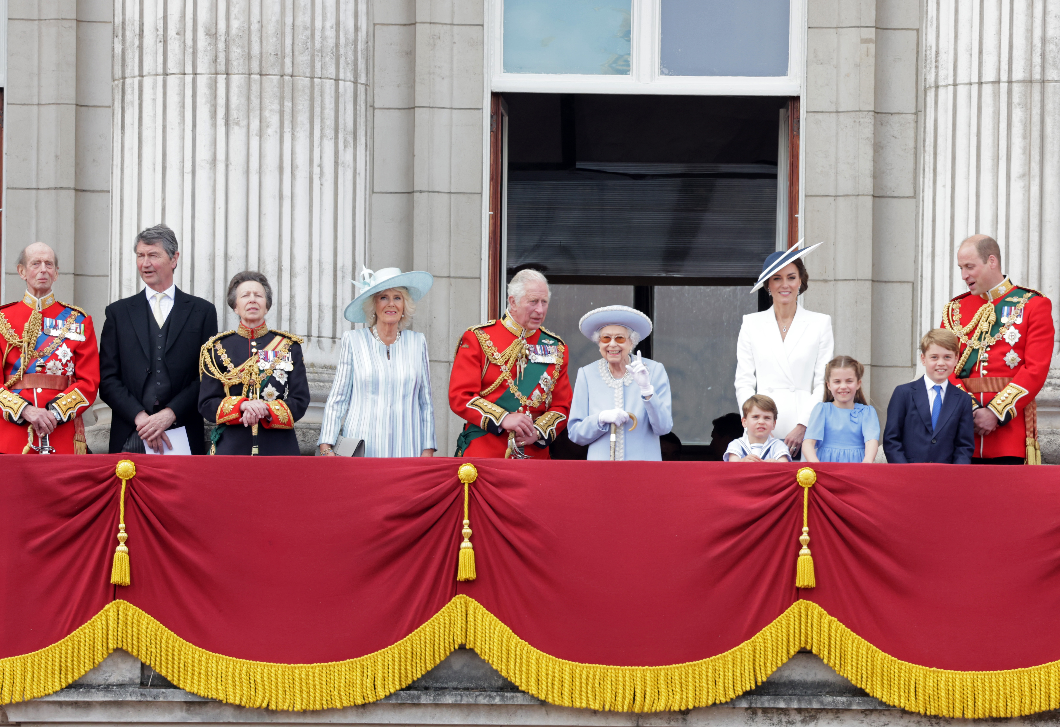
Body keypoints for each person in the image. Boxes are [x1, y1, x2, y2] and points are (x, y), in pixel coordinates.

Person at [99, 224, 219, 454]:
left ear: (174, 259)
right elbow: (107, 378)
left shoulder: (202, 312)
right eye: (140, 256)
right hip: (130, 432)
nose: (145, 263)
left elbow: (207, 376)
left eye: (153, 255)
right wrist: (141, 418)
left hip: (182, 432)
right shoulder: (118, 313)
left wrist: (169, 414)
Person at [940, 234, 1054, 464]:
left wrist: (995, 413)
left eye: (970, 267)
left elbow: (1035, 370)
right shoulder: (955, 310)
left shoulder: (1033, 305)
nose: (964, 275)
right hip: (963, 434)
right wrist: (969, 410)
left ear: (992, 261)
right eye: (961, 268)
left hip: (1007, 434)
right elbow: (943, 367)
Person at [449, 269, 572, 458]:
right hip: (484, 454)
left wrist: (538, 432)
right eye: (533, 301)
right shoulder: (478, 338)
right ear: (513, 301)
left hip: (534, 457)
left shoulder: (557, 347)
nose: (540, 310)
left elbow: (562, 406)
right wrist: (503, 418)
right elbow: (461, 396)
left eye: (544, 302)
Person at [317, 267, 436, 457]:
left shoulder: (417, 342)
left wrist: (428, 449)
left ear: (405, 305)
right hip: (362, 448)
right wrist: (326, 446)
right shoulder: (353, 340)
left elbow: (425, 402)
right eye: (383, 297)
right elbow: (338, 398)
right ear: (373, 305)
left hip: (407, 448)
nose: (391, 304)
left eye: (397, 297)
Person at [735, 242, 834, 460]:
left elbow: (822, 383)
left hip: (803, 429)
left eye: (791, 277)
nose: (784, 284)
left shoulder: (820, 323)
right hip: (760, 430)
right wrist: (755, 420)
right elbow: (743, 381)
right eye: (777, 278)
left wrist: (804, 424)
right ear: (767, 285)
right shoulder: (751, 323)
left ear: (801, 281)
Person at [0, 243, 100, 454]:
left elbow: (89, 382)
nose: (43, 269)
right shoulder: (3, 319)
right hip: (13, 434)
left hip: (60, 431)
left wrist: (54, 413)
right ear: (22, 272)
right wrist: (25, 410)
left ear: (56, 274)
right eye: (35, 263)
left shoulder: (78, 320)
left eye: (49, 264)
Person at [198, 272, 309, 455]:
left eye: (258, 295)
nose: (252, 300)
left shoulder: (288, 346)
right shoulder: (216, 348)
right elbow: (206, 403)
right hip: (232, 448)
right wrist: (242, 405)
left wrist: (265, 409)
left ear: (267, 306)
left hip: (278, 448)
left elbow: (300, 400)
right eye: (245, 296)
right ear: (235, 306)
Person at [566, 305, 673, 461]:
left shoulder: (654, 370)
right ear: (599, 343)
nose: (612, 344)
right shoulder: (587, 374)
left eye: (620, 338)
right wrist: (600, 419)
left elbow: (663, 428)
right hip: (600, 471)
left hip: (642, 470)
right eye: (606, 338)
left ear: (632, 343)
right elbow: (575, 434)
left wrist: (647, 390)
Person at [883, 330, 974, 464]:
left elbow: (964, 446)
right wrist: (904, 472)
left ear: (956, 359)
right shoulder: (903, 393)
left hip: (946, 476)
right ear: (923, 359)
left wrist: (955, 476)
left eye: (947, 357)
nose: (941, 363)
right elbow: (892, 439)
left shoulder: (963, 399)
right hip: (909, 474)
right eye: (934, 357)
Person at [803, 356, 880, 463]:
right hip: (826, 466)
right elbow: (808, 443)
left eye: (849, 381)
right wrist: (816, 465)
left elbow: (871, 441)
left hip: (857, 466)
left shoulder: (867, 412)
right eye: (837, 381)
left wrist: (866, 463)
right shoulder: (822, 410)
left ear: (858, 384)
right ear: (829, 385)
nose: (843, 386)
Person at [723, 395, 792, 462]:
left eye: (767, 418)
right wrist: (742, 462)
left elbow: (784, 466)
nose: (761, 422)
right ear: (744, 422)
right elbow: (732, 467)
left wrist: (775, 464)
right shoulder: (736, 444)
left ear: (773, 424)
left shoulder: (778, 445)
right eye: (755, 417)